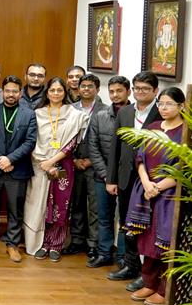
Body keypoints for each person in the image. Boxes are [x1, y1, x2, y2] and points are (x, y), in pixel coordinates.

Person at [125, 87, 185, 305]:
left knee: (166, 242)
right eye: (161, 104)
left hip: (170, 194)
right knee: (148, 241)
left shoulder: (186, 132)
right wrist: (147, 183)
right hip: (146, 191)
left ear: (182, 106)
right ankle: (149, 283)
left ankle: (164, 289)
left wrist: (158, 187)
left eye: (169, 104)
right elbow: (139, 158)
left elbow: (184, 168)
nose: (163, 108)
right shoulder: (151, 128)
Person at [23, 77, 89, 262]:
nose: (56, 94)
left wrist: (53, 161)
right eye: (52, 90)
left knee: (61, 206)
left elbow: (72, 143)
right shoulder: (38, 114)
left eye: (59, 90)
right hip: (39, 165)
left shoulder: (74, 114)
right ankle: (42, 244)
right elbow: (31, 140)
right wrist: (45, 163)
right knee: (40, 205)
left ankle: (56, 245)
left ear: (65, 92)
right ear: (47, 93)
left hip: (63, 165)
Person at [106, 71, 161, 290]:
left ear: (155, 91)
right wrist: (111, 179)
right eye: (137, 88)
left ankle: (147, 274)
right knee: (127, 224)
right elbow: (115, 147)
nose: (140, 93)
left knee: (146, 227)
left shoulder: (161, 112)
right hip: (126, 178)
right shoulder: (126, 112)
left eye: (145, 89)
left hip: (150, 180)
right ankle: (130, 266)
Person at [0, 75, 37, 262]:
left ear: (20, 93)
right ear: (2, 92)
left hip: (17, 168)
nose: (11, 94)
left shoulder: (28, 114)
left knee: (15, 209)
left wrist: (10, 159)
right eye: (8, 91)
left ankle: (12, 244)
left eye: (15, 91)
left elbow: (30, 141)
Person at [87, 75, 132, 268]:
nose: (114, 95)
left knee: (124, 219)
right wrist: (107, 175)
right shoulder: (100, 116)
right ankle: (104, 253)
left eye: (119, 91)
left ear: (128, 92)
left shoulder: (134, 116)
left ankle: (122, 257)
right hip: (102, 175)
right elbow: (93, 147)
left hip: (127, 177)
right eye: (111, 91)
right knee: (103, 216)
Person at [65, 74, 108, 259]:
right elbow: (64, 137)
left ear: (97, 89)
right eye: (83, 86)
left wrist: (91, 160)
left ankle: (93, 244)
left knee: (94, 207)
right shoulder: (70, 109)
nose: (86, 89)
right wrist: (73, 159)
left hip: (95, 164)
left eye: (90, 86)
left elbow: (107, 141)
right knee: (76, 203)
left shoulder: (105, 111)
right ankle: (76, 240)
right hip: (73, 162)